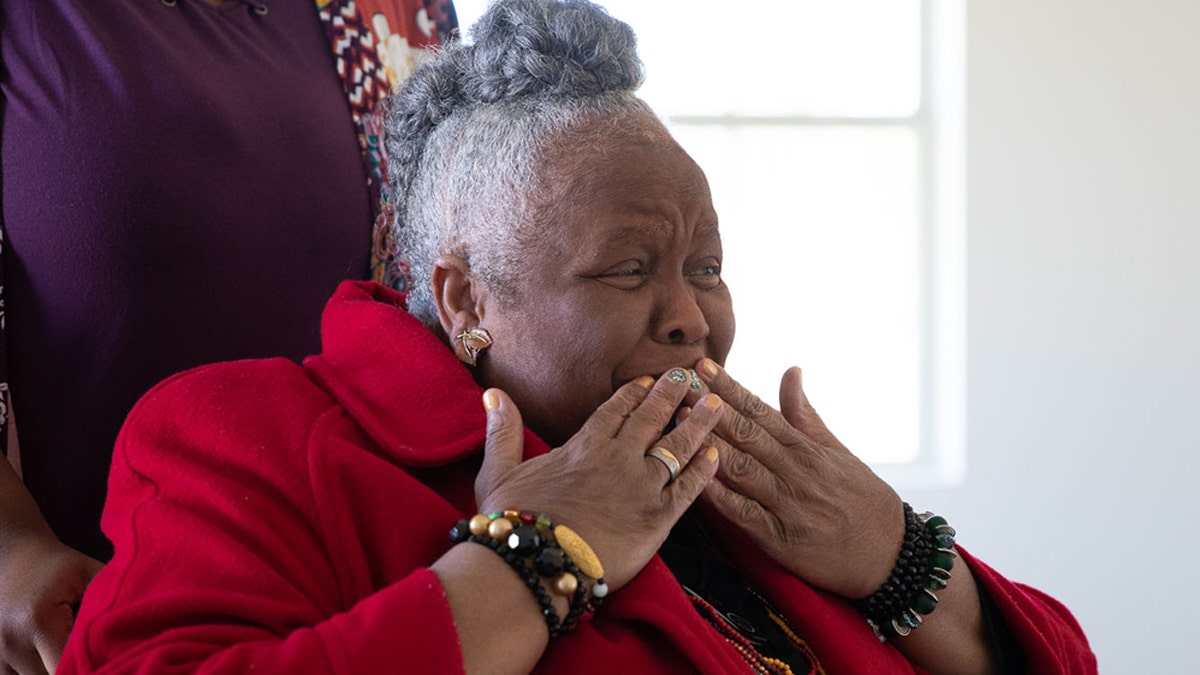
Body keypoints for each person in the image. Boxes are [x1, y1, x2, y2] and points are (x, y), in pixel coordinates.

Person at [58, 0, 1097, 672]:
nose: (694, 316)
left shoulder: (735, 470)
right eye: (629, 269)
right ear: (466, 301)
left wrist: (897, 556)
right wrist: (529, 563)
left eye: (704, 266)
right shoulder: (253, 436)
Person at [0, 0, 456, 672]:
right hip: (81, 619)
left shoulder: (395, 10)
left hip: (357, 618)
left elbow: (442, 295)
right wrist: (10, 548)